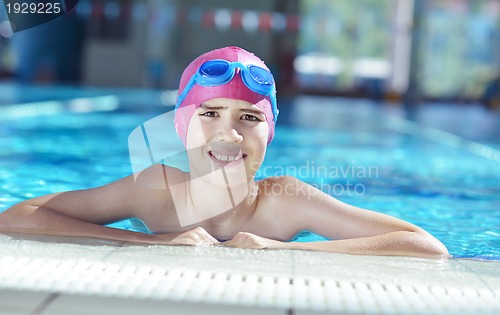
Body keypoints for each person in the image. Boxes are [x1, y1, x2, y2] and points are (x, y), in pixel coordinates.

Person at [0, 46, 449, 258]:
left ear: (269, 133)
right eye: (209, 114)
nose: (228, 135)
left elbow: (426, 246)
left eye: (249, 118)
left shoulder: (284, 203)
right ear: (182, 126)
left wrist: (286, 251)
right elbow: (18, 216)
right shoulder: (158, 190)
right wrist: (148, 241)